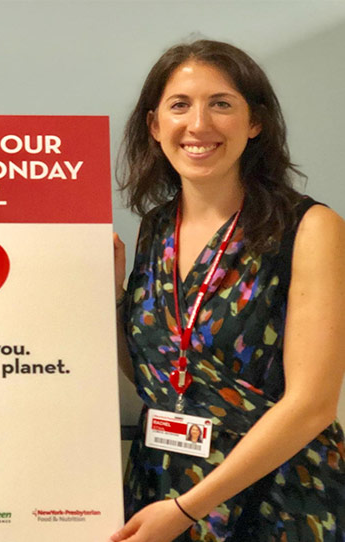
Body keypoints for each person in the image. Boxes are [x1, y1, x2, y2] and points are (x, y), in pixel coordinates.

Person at [111, 40, 345, 542]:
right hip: (161, 487)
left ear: (254, 122)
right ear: (154, 126)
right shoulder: (155, 228)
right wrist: (110, 299)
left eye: (221, 103)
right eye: (180, 105)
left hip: (275, 496)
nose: (198, 125)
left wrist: (186, 510)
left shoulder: (311, 227)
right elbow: (154, 372)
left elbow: (312, 404)